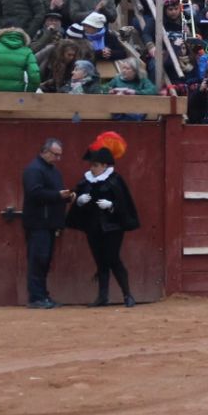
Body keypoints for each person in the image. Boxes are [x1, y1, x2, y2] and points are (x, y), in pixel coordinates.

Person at [64, 131, 140, 307]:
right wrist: (78, 200)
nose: (92, 168)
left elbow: (125, 204)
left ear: (105, 166)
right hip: (94, 227)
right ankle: (103, 296)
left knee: (113, 258)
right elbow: (74, 194)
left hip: (113, 227)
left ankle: (128, 294)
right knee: (100, 260)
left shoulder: (115, 180)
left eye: (95, 165)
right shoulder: (87, 180)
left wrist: (112, 206)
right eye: (92, 165)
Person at [22, 138, 74, 309]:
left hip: (49, 222)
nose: (57, 159)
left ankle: (42, 295)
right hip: (38, 223)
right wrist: (58, 196)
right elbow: (34, 193)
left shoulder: (52, 171)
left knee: (44, 261)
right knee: (38, 260)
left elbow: (52, 194)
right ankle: (36, 297)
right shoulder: (34, 170)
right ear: (44, 151)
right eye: (55, 155)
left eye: (59, 156)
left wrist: (66, 197)